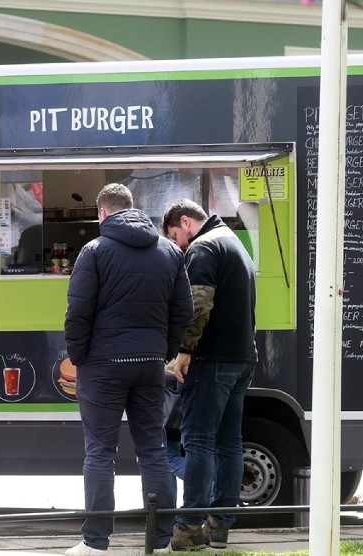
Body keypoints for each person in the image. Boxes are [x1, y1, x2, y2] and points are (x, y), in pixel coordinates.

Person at [64, 183, 193, 556]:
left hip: (101, 366)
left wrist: (80, 355)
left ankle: (96, 543)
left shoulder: (94, 251)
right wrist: (163, 351)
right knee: (152, 450)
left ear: (102, 212)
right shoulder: (169, 251)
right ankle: (162, 541)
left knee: (100, 452)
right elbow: (183, 310)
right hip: (150, 365)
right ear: (133, 209)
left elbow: (78, 312)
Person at [161, 199, 257, 550]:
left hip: (212, 358)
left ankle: (189, 526)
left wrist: (184, 350)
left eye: (175, 236)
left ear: (185, 222)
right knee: (229, 442)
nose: (177, 246)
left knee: (198, 440)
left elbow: (197, 303)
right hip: (242, 357)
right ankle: (220, 526)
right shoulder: (234, 243)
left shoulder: (203, 248)